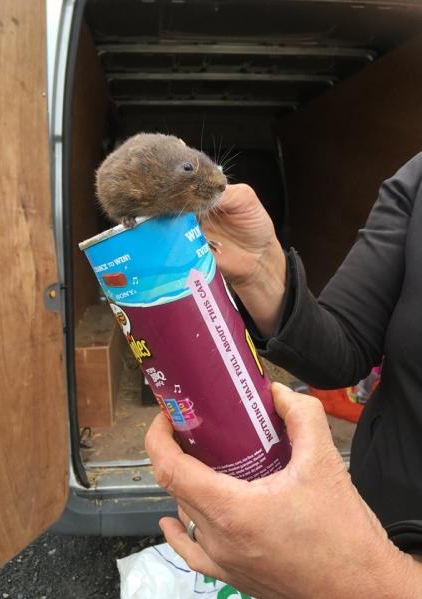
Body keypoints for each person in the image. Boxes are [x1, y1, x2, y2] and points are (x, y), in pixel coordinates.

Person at [145, 153, 422, 598]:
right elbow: (345, 349)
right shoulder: (417, 179)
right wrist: (260, 268)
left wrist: (365, 582)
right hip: (368, 516)